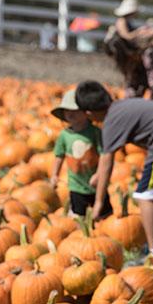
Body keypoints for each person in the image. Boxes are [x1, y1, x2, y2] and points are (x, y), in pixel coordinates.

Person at [74, 81, 153, 255]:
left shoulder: (110, 121)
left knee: (144, 196)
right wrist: (97, 175)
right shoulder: (122, 107)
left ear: (88, 113)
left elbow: (107, 159)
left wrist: (99, 203)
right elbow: (105, 159)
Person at [49, 89, 113, 218]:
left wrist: (99, 174)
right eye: (67, 111)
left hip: (96, 185)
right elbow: (59, 156)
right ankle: (82, 235)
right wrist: (54, 174)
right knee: (79, 216)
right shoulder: (64, 135)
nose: (70, 114)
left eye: (75, 111)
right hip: (76, 185)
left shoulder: (95, 132)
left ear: (86, 113)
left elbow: (104, 155)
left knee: (104, 215)